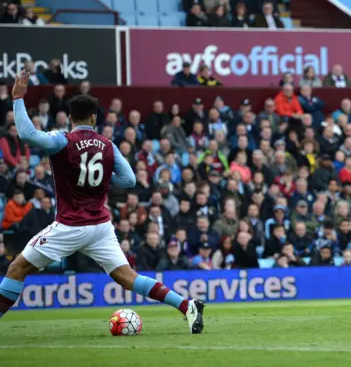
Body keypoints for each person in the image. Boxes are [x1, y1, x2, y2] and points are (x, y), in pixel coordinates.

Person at [0, 71, 205, 334]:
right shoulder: (107, 144)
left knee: (17, 267)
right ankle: (188, 306)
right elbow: (130, 180)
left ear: (71, 118)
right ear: (94, 117)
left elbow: (27, 135)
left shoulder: (63, 140)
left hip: (71, 224)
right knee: (127, 277)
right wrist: (100, 177)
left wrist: (18, 98)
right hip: (100, 225)